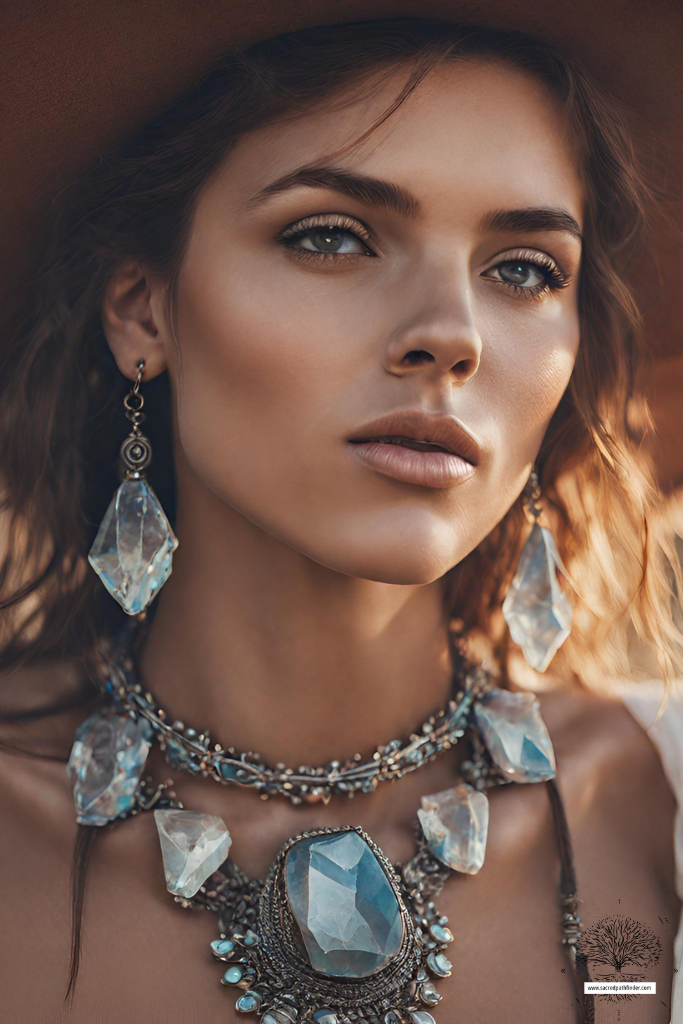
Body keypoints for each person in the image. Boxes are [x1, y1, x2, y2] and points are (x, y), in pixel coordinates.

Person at [0, 17, 681, 1024]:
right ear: (144, 309)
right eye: (331, 236)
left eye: (525, 268)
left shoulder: (655, 816)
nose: (450, 333)